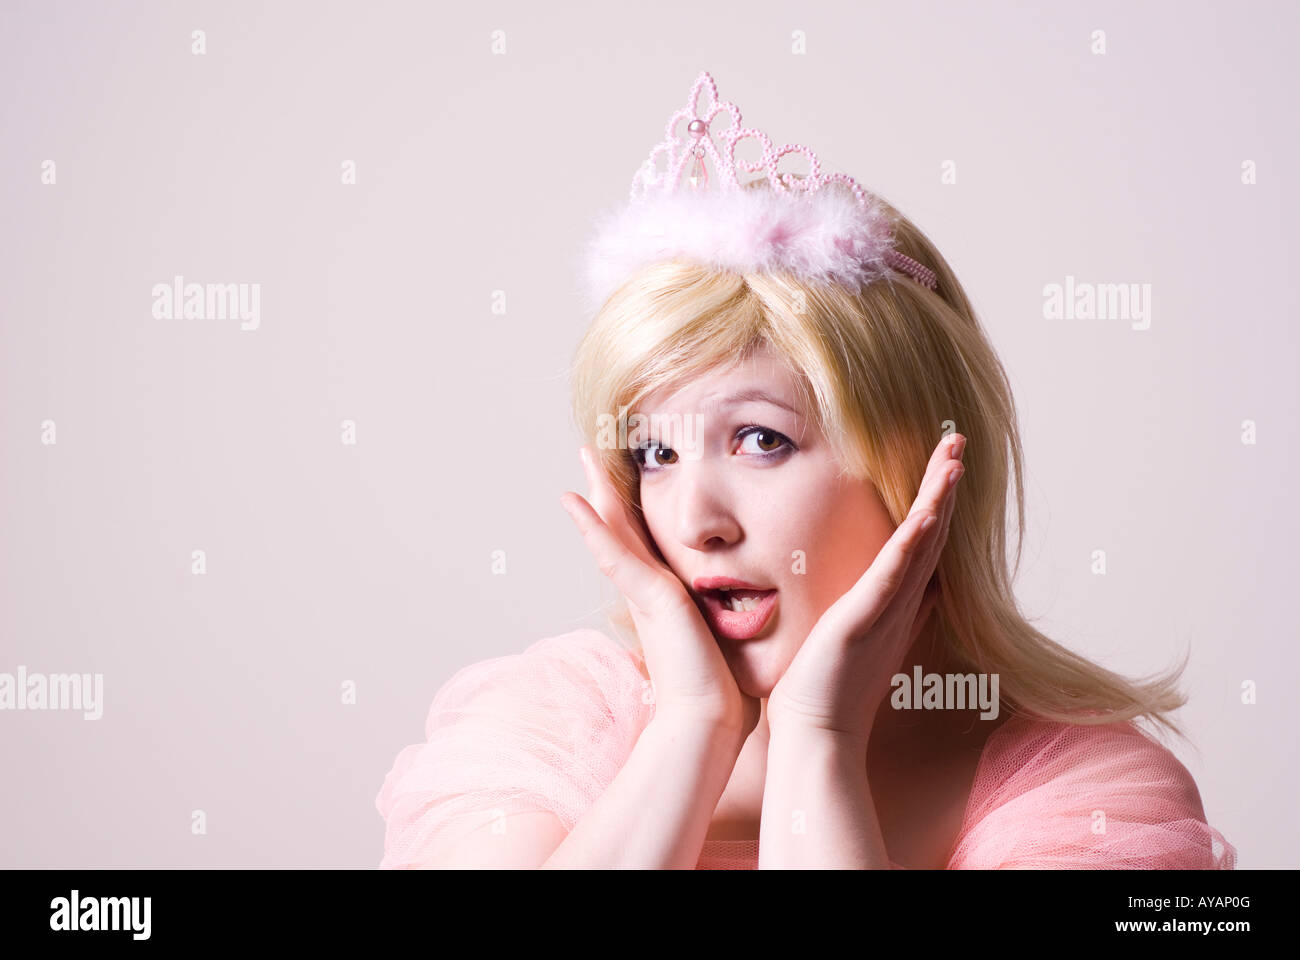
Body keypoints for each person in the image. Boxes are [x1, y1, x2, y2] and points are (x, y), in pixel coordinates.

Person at [374, 70, 1236, 870]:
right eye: (655, 453)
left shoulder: (1083, 797)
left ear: (918, 472)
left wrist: (819, 744)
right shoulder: (544, 734)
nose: (696, 519)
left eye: (761, 440)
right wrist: (692, 727)